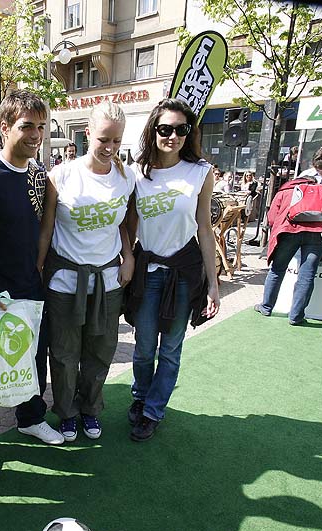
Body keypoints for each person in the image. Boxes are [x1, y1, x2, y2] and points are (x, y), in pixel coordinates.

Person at [0, 90, 66, 474]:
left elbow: (42, 229)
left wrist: (37, 269)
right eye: (26, 126)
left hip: (30, 288)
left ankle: (30, 418)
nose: (35, 134)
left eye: (41, 126)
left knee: (32, 359)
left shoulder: (40, 176)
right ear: (4, 127)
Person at [122, 98, 220, 442]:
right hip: (148, 272)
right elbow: (129, 225)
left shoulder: (200, 172)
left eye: (181, 129)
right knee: (144, 345)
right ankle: (140, 395)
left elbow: (205, 228)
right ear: (154, 130)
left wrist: (213, 284)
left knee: (171, 348)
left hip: (184, 272)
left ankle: (153, 410)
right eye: (166, 129)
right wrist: (127, 259)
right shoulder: (137, 173)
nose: (173, 136)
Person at [38, 100, 135, 442]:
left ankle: (91, 408)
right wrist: (38, 270)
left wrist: (129, 255)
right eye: (103, 139)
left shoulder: (127, 176)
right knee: (64, 353)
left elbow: (125, 222)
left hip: (108, 281)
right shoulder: (62, 174)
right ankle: (66, 412)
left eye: (116, 141)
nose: (109, 148)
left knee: (101, 349)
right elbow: (47, 229)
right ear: (88, 134)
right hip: (65, 280)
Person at [255, 166, 322, 326]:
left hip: (288, 232)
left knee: (277, 270)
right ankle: (296, 316)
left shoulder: (284, 192)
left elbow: (271, 218)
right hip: (317, 235)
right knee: (307, 275)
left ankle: (266, 307)